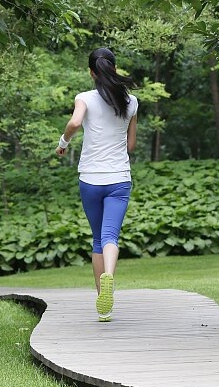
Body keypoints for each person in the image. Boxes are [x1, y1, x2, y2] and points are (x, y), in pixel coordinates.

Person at [56, 48, 138, 322]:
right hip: (119, 179)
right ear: (114, 69)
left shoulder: (84, 98)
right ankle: (109, 277)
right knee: (111, 236)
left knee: (97, 240)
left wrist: (63, 143)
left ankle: (104, 306)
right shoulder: (132, 102)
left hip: (90, 179)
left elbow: (75, 122)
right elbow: (131, 145)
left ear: (92, 72)